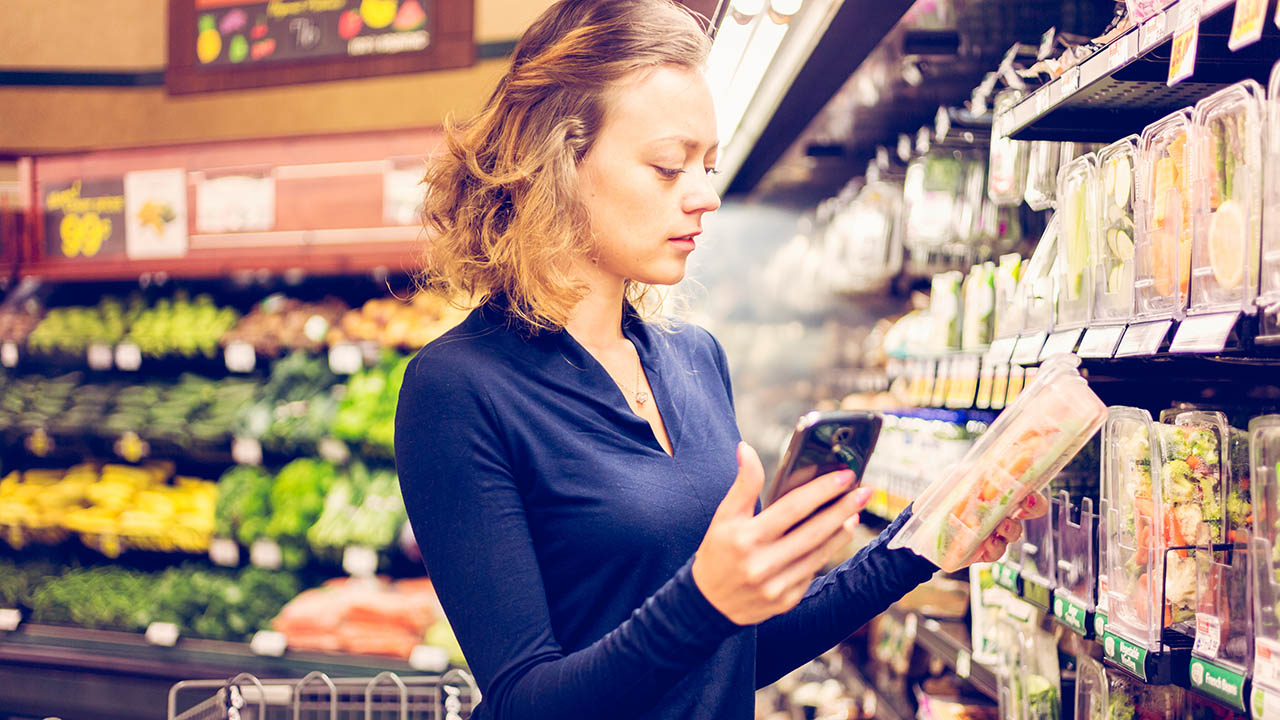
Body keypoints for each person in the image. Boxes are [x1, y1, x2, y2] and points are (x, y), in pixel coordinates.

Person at [394, 1, 1044, 718]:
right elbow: (524, 700)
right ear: (558, 163)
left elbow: (735, 657)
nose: (704, 196)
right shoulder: (459, 388)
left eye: (707, 165)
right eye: (669, 167)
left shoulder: (693, 360)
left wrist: (921, 544)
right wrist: (704, 601)